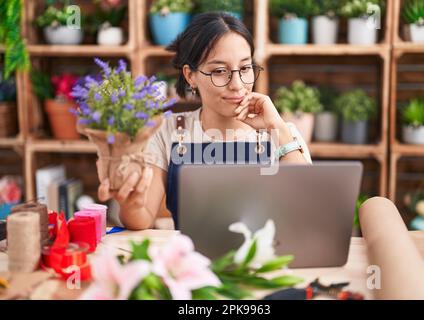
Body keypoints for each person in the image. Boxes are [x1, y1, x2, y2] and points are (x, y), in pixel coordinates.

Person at [98, 12, 312, 230]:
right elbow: (141, 218)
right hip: (193, 261)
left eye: (245, 68)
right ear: (191, 76)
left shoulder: (284, 133)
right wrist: (131, 205)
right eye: (220, 71)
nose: (238, 84)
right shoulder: (171, 130)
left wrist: (276, 128)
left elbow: (308, 210)